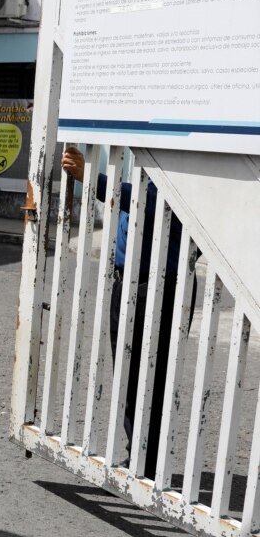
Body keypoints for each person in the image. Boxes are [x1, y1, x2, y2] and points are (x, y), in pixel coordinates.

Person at [62, 147, 194, 479]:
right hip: (133, 281)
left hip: (158, 285)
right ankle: (140, 456)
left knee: (150, 374)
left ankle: (147, 465)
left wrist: (91, 178)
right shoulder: (146, 168)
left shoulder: (179, 168)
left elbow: (145, 203)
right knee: (131, 372)